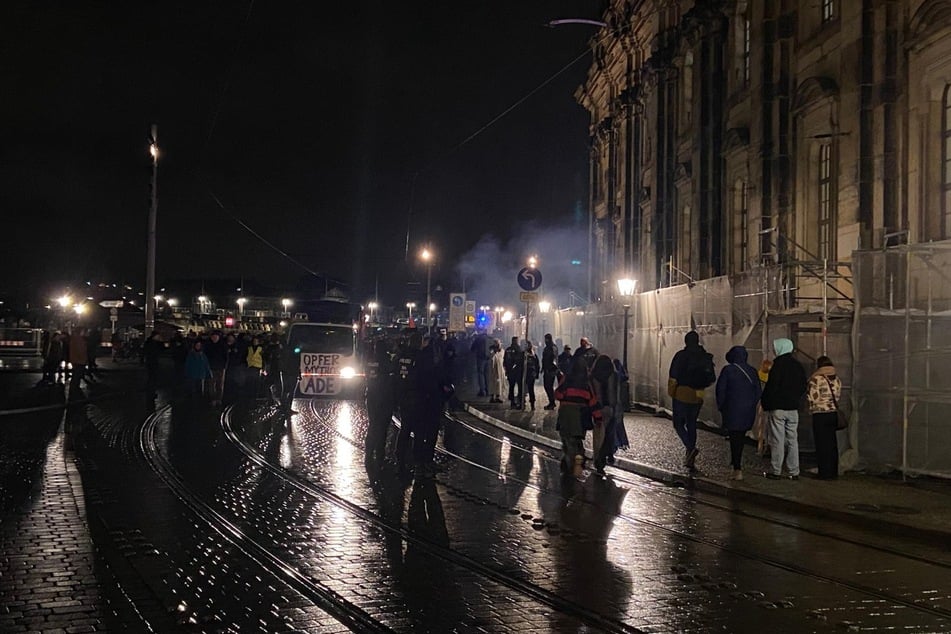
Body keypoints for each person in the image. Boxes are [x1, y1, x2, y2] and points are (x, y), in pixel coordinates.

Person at [667, 331, 716, 470]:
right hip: (698, 394)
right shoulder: (704, 356)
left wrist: (672, 391)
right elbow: (711, 378)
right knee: (692, 423)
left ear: (686, 341)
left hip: (682, 392)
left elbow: (673, 375)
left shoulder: (681, 356)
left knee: (678, 423)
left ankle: (690, 447)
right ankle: (689, 459)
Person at [761, 338, 808, 480]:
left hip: (778, 409)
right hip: (793, 408)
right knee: (793, 440)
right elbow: (803, 386)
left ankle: (776, 470)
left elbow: (772, 387)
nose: (774, 350)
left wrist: (766, 403)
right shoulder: (798, 366)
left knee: (778, 440)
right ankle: (794, 471)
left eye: (775, 348)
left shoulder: (778, 365)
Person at [715, 346, 762, 480]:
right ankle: (736, 462)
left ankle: (737, 467)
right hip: (748, 410)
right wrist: (750, 403)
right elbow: (758, 391)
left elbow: (721, 390)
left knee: (734, 437)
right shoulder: (752, 371)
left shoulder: (728, 370)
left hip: (731, 409)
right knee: (740, 437)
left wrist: (722, 406)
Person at [555, 359, 602, 479]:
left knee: (567, 439)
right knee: (576, 439)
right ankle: (578, 459)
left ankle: (569, 462)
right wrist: (598, 418)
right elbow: (593, 401)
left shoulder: (567, 379)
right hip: (581, 415)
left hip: (566, 414)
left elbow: (558, 394)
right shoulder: (587, 383)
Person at [807, 355, 842, 480]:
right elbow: (837, 396)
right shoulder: (836, 379)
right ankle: (833, 472)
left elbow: (813, 398)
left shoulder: (816, 379)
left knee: (822, 445)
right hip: (833, 413)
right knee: (832, 444)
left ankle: (824, 472)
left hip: (820, 414)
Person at [364, 338, 396, 466]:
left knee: (373, 424)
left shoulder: (370, 360)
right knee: (382, 426)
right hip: (383, 397)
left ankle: (369, 450)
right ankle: (379, 452)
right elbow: (391, 375)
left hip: (371, 395)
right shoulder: (386, 360)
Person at [590, 355, 619, 475]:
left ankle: (598, 458)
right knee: (608, 434)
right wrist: (614, 407)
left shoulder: (592, 376)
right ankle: (607, 454)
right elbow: (613, 393)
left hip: (597, 408)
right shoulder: (613, 375)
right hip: (608, 408)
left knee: (598, 436)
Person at [204, 331, 227, 406]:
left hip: (220, 367)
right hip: (211, 367)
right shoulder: (208, 346)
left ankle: (219, 399)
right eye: (213, 337)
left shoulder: (222, 345)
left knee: (220, 384)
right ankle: (213, 399)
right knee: (211, 384)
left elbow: (226, 356)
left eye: (216, 337)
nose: (214, 338)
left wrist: (224, 366)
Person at [503, 336, 523, 409]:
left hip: (510, 371)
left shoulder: (508, 349)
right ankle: (519, 401)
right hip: (517, 371)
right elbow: (519, 360)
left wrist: (506, 369)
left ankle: (512, 401)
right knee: (519, 387)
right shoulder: (519, 349)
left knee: (511, 387)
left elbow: (504, 360)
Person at [470, 329, 490, 397]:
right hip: (488, 359)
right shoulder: (489, 338)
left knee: (480, 374)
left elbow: (472, 348)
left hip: (480, 358)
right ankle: (488, 390)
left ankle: (482, 391)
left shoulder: (478, 338)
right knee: (487, 375)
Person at [541, 333, 558, 410]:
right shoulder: (547, 348)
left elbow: (553, 358)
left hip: (550, 370)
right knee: (547, 386)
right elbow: (544, 359)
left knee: (548, 386)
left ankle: (552, 402)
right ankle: (551, 401)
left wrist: (551, 368)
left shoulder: (552, 347)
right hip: (547, 369)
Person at [522, 341, 540, 411]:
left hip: (531, 374)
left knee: (530, 389)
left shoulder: (533, 354)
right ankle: (522, 402)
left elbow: (537, 365)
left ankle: (532, 404)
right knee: (523, 389)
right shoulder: (523, 354)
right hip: (524, 374)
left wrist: (537, 373)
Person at [487, 339, 506, 403]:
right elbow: (491, 357)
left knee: (499, 383)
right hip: (493, 370)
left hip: (500, 370)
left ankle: (498, 396)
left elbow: (502, 358)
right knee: (492, 383)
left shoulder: (502, 351)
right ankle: (492, 396)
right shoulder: (492, 351)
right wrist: (494, 352)